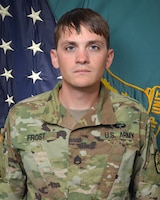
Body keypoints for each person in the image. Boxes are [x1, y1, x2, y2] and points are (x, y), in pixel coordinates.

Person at [0, 8, 159, 200]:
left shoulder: (135, 117)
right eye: (70, 47)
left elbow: (149, 194)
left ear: (108, 58)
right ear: (55, 57)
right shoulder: (21, 116)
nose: (82, 58)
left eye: (93, 47)